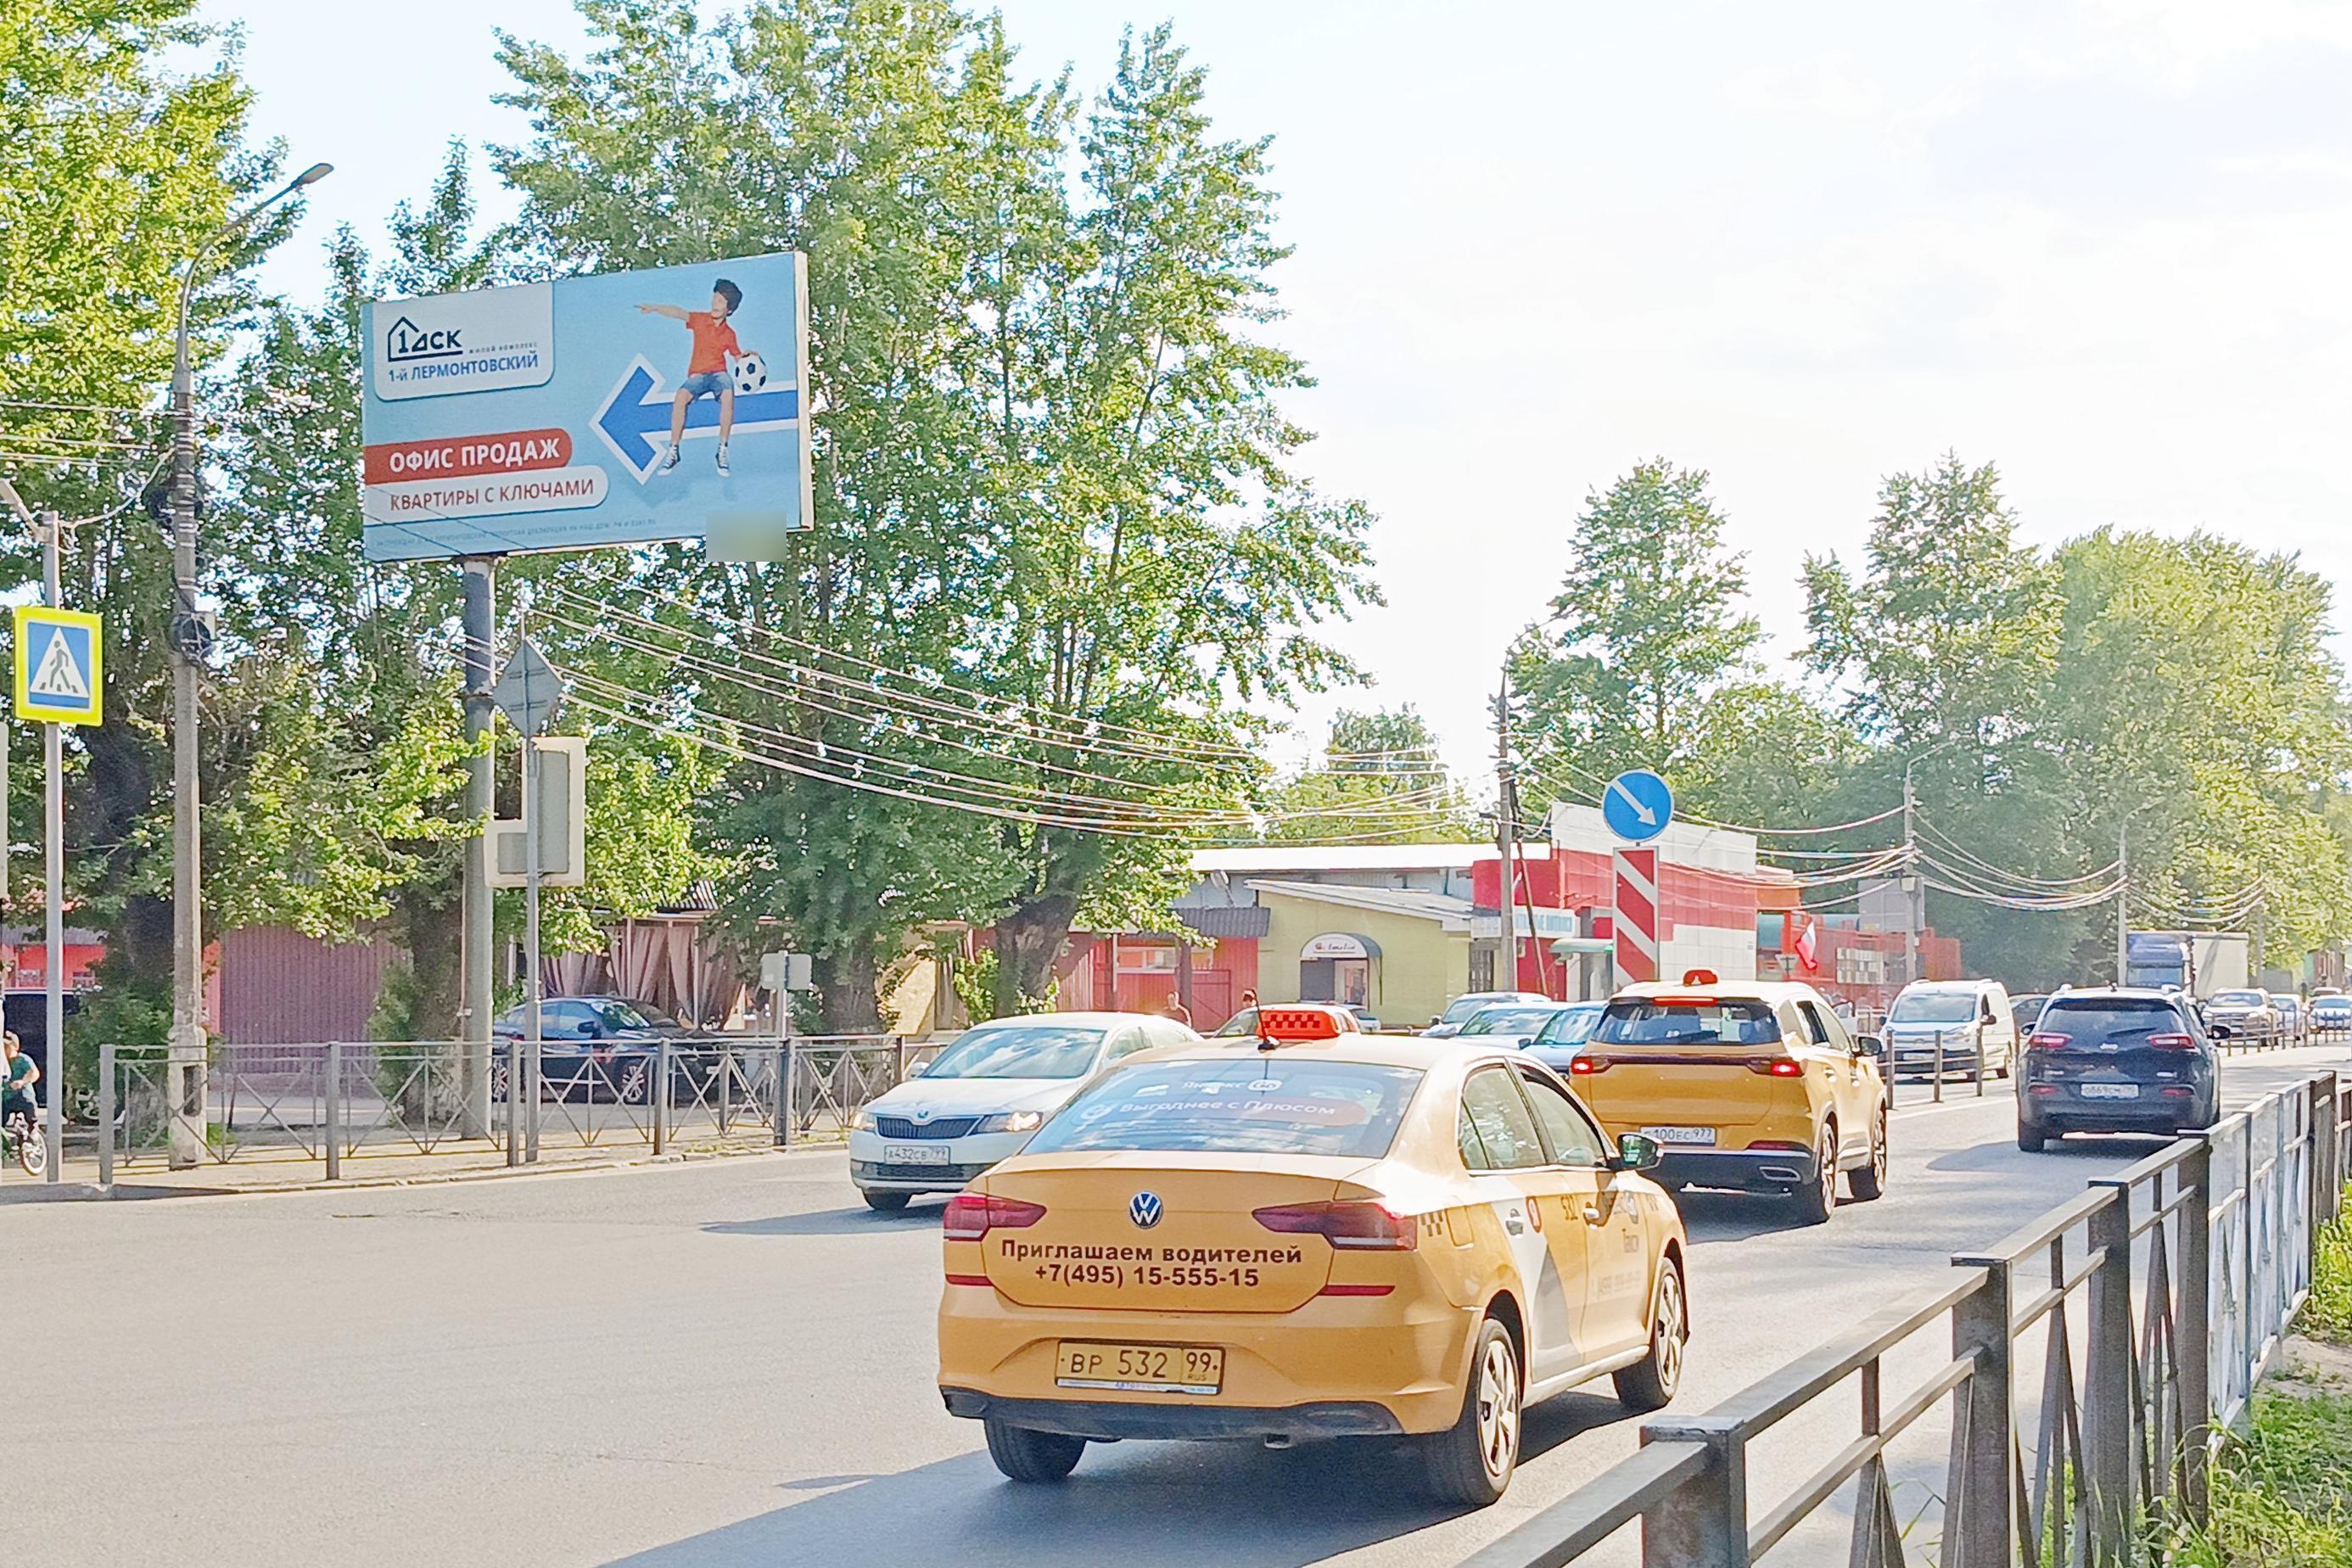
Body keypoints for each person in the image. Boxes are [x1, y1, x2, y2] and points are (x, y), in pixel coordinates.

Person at [636, 278, 756, 476]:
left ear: (729, 309)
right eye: (714, 299)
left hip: (718, 373)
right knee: (680, 397)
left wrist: (748, 356)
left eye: (720, 301)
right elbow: (678, 312)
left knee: (727, 394)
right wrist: (655, 308)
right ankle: (673, 450)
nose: (715, 304)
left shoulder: (729, 334)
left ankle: (722, 449)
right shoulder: (701, 320)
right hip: (698, 375)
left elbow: (737, 357)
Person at [2, 1032, 38, 1135]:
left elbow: (33, 1073)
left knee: (28, 1105)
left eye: (6, 1046)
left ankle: (33, 1131)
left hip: (23, 1096)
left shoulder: (23, 1059)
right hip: (5, 1098)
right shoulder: (2, 1062)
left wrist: (23, 1081)